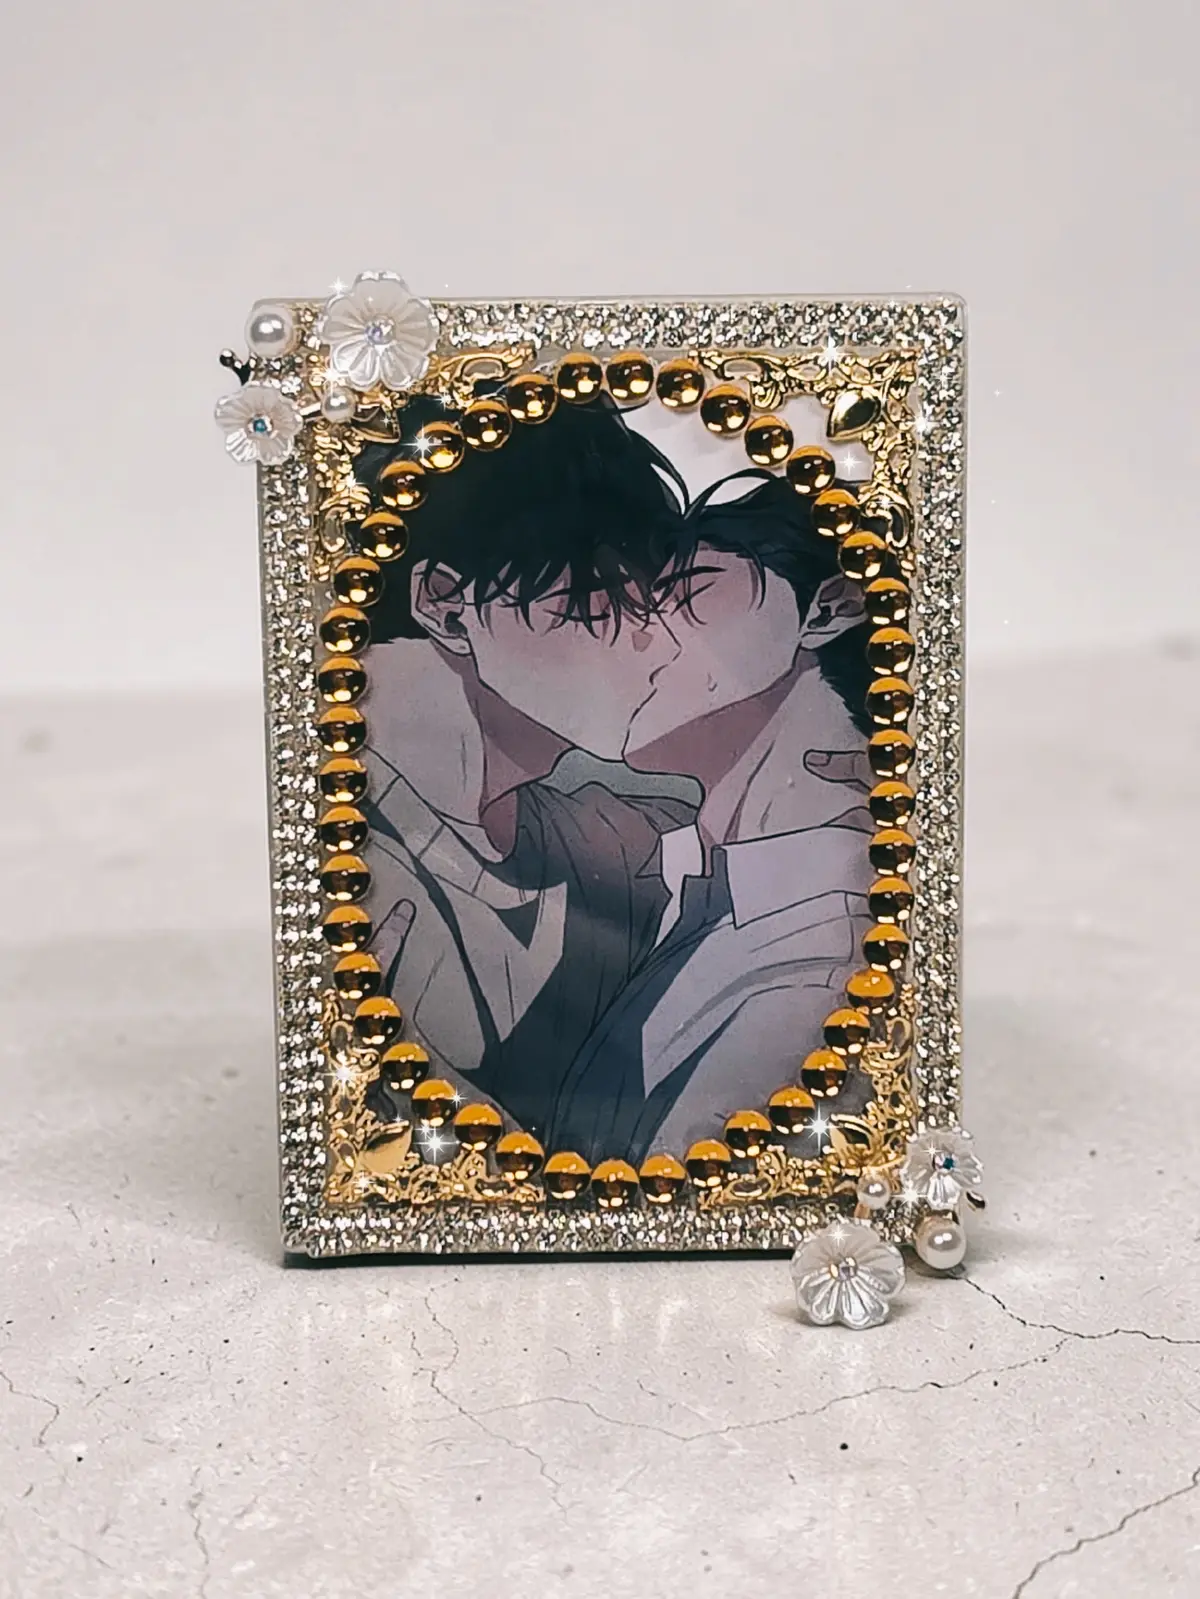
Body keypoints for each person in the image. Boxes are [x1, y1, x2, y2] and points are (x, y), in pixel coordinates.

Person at [351, 395, 696, 1140]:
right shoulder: (357, 848)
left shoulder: (609, 847)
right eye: (600, 605)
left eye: (653, 607)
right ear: (446, 605)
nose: (657, 650)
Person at [546, 468, 877, 1163]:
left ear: (827, 610)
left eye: (689, 595)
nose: (642, 636)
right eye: (642, 606)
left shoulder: (837, 932)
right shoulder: (670, 883)